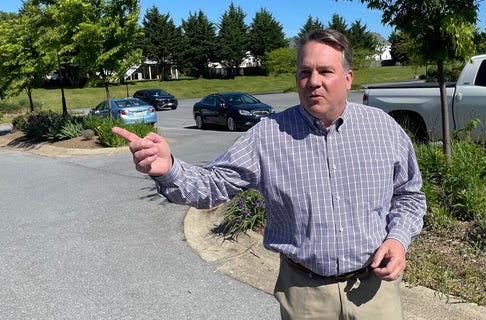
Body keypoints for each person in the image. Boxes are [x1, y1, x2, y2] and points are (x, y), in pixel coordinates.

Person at [113, 29, 426, 319]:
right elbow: (214, 184)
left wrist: (398, 240)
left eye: (325, 72)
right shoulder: (268, 136)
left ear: (347, 78)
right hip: (305, 296)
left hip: (375, 291)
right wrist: (168, 169)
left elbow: (410, 196)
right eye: (305, 72)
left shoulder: (384, 130)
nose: (313, 81)